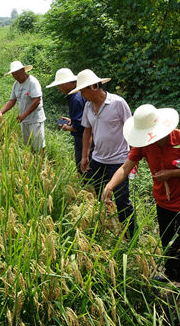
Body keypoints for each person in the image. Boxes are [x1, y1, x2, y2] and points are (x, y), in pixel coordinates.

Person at [102, 104, 180, 284]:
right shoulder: (144, 144)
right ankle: (170, 272)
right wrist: (110, 186)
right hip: (163, 199)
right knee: (166, 237)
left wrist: (171, 173)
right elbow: (126, 167)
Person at [68, 69, 135, 238]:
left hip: (119, 160)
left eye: (83, 91)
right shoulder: (88, 107)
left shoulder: (118, 103)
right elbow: (87, 131)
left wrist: (134, 158)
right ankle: (109, 227)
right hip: (98, 159)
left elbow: (131, 128)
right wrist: (85, 156)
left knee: (121, 200)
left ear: (94, 86)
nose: (82, 95)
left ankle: (130, 236)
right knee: (99, 195)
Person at [0, 61, 46, 152]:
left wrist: (24, 114)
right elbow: (12, 100)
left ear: (23, 71)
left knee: (38, 145)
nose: (16, 76)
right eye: (13, 74)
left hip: (35, 120)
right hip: (24, 120)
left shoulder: (32, 82)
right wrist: (1, 112)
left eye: (17, 73)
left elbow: (37, 100)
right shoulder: (16, 84)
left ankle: (41, 165)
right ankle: (32, 163)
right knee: (28, 145)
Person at [46, 68, 90, 173]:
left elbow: (80, 127)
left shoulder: (75, 98)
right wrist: (72, 121)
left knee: (82, 168)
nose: (59, 88)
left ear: (67, 84)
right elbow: (83, 119)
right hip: (88, 137)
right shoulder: (80, 94)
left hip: (83, 139)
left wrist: (68, 127)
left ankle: (86, 187)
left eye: (59, 85)